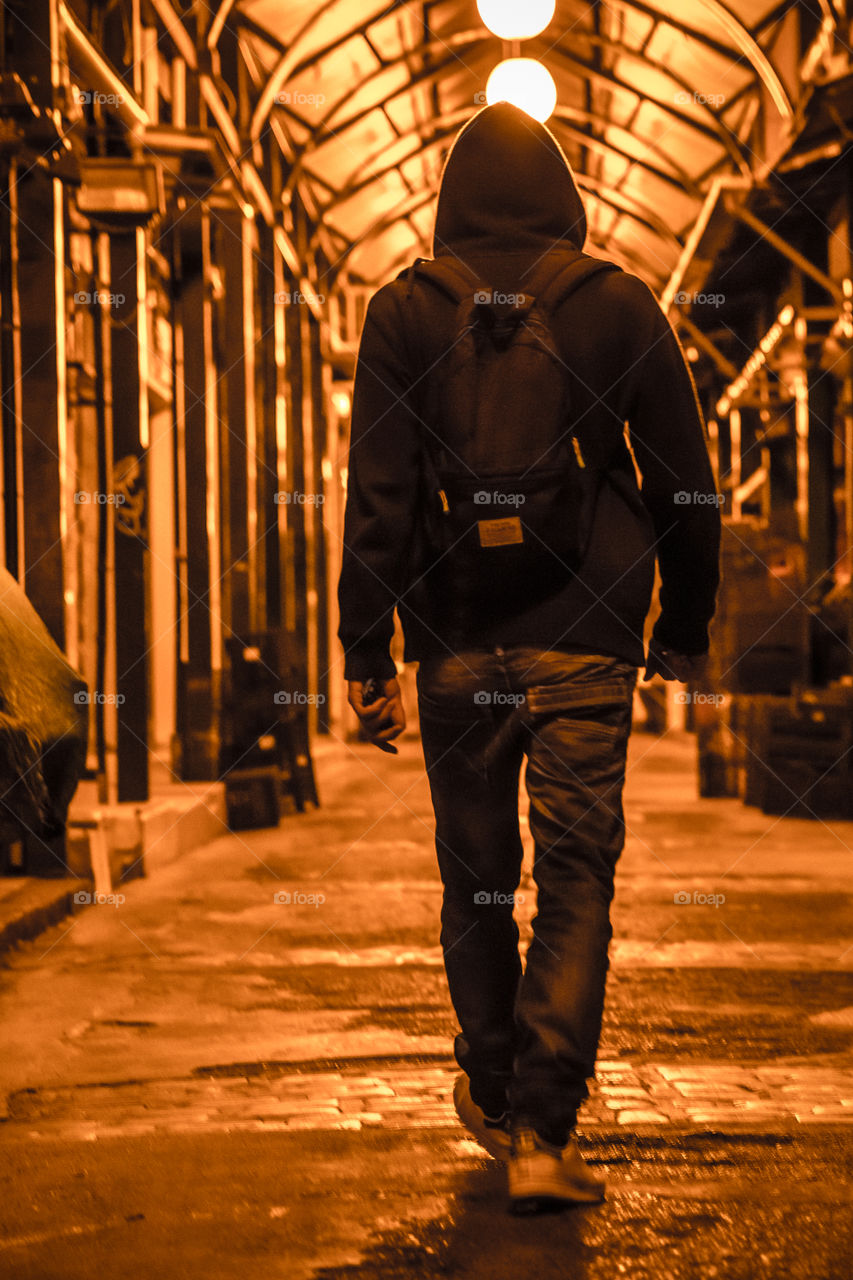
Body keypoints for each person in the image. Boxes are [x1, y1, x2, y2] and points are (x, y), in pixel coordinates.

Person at [337, 102, 720, 1212]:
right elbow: (683, 483)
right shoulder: (616, 306)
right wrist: (682, 626)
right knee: (574, 874)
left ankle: (496, 1086)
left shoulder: (402, 310)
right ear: (565, 197)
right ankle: (543, 1127)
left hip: (456, 644)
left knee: (475, 878)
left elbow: (381, 497)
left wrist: (367, 645)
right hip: (589, 636)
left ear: (451, 199)